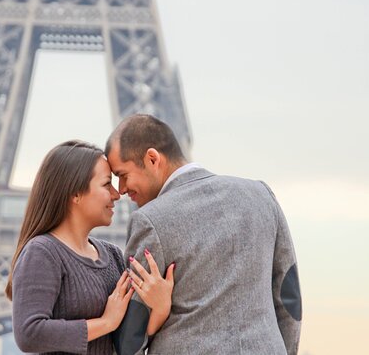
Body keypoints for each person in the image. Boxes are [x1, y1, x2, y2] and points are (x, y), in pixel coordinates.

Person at [106, 114, 302, 354]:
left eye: (123, 175)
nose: (122, 189)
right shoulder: (261, 195)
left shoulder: (150, 220)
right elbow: (288, 296)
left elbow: (130, 338)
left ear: (152, 158)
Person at [6, 140, 174, 355]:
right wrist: (105, 323)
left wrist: (160, 308)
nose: (117, 193)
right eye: (106, 184)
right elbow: (29, 334)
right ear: (75, 193)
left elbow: (128, 343)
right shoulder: (42, 252)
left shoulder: (112, 255)